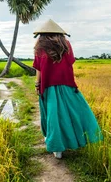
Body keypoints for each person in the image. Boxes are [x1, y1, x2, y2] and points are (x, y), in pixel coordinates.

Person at [32, 19, 103, 159]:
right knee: (75, 112)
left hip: (48, 86)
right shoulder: (66, 45)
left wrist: (37, 84)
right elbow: (70, 64)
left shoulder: (40, 47)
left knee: (53, 116)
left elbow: (39, 68)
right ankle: (83, 138)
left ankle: (57, 147)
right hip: (67, 85)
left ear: (42, 34)